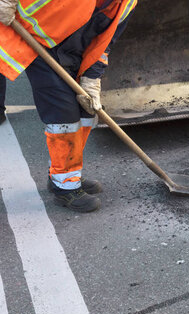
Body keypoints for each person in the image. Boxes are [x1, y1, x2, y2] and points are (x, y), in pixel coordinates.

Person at [0, 0, 137, 212]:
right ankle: (65, 188)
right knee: (62, 115)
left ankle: (64, 175)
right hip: (39, 43)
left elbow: (106, 41)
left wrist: (92, 78)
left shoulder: (128, 3)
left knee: (87, 112)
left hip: (76, 53)